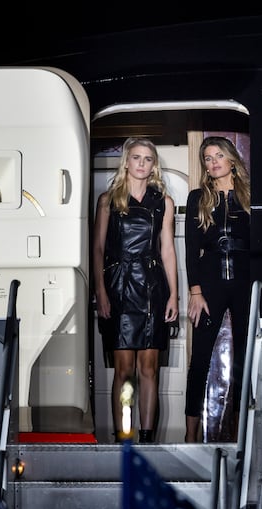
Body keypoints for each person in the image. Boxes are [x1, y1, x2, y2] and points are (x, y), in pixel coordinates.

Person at [93, 137, 179, 443]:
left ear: (153, 165)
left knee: (148, 369)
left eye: (148, 159)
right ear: (126, 161)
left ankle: (146, 439)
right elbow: (99, 248)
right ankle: (123, 437)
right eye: (137, 158)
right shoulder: (108, 200)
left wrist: (174, 295)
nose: (142, 163)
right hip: (118, 288)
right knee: (123, 369)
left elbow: (167, 250)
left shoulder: (163, 202)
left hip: (153, 289)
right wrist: (101, 292)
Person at [184, 136, 252, 443]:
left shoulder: (250, 195)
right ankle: (190, 435)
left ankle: (239, 432)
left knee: (244, 358)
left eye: (218, 156)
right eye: (207, 158)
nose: (213, 163)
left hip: (244, 281)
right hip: (210, 283)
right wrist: (195, 291)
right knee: (199, 359)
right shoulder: (198, 197)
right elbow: (190, 250)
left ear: (231, 159)